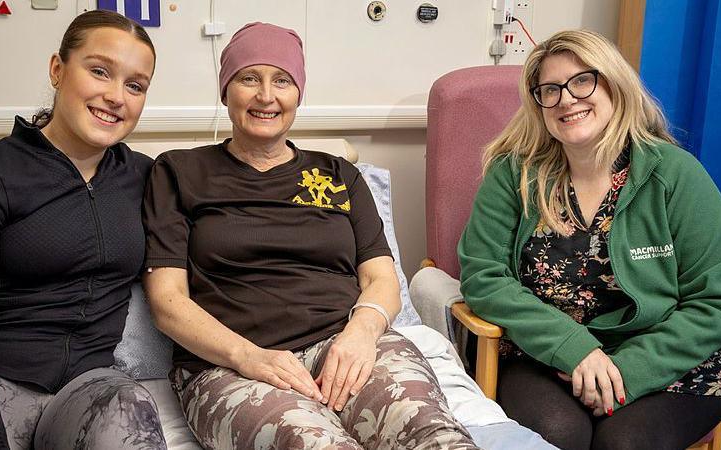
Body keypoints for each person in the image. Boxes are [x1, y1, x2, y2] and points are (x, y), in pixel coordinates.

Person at [142, 22, 480, 449]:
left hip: (347, 345)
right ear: (226, 89)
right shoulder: (177, 172)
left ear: (298, 93)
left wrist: (360, 334)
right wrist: (251, 358)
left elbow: (381, 279)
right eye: (249, 78)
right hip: (230, 366)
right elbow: (167, 302)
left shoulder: (339, 174)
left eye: (282, 80)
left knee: (433, 435)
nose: (267, 95)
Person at [458, 29, 721, 450]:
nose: (566, 99)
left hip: (666, 362)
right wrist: (575, 349)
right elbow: (483, 277)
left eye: (583, 80)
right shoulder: (515, 174)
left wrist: (627, 371)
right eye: (551, 90)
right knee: (559, 434)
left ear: (614, 84)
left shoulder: (675, 175)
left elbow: (717, 300)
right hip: (542, 356)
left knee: (627, 444)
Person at [0, 10, 167, 450]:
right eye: (99, 71)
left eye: (135, 85)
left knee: (130, 410)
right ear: (58, 70)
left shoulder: (148, 179)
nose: (116, 96)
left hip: (90, 389)